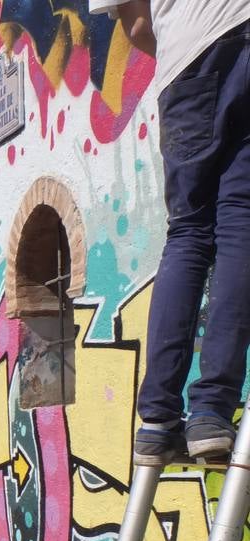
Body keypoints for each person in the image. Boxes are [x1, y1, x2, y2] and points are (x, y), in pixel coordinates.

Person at [90, 1, 250, 463]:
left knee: (188, 232)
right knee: (241, 217)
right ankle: (212, 410)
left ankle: (159, 417)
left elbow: (137, 26)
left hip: (187, 62)